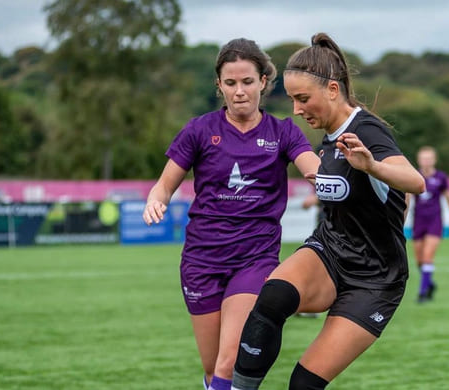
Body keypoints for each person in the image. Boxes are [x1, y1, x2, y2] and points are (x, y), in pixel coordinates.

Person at [231, 33, 425, 390]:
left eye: (303, 99)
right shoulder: (330, 134)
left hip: (375, 279)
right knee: (272, 298)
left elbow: (415, 182)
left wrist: (373, 167)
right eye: (291, 99)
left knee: (303, 385)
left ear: (333, 90)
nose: (296, 110)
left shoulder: (366, 130)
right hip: (330, 251)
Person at [143, 38, 320, 390]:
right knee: (212, 369)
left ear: (264, 83)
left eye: (248, 82)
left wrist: (329, 177)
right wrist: (155, 200)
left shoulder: (283, 132)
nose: (239, 91)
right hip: (201, 260)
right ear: (219, 86)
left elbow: (312, 168)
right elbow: (163, 186)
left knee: (229, 362)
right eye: (230, 83)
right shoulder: (199, 130)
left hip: (254, 259)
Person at [408, 146, 449, 303]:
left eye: (429, 158)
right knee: (419, 260)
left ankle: (422, 293)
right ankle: (429, 283)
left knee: (428, 257)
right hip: (418, 221)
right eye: (424, 158)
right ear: (419, 160)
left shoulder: (441, 177)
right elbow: (407, 197)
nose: (426, 161)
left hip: (435, 221)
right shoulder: (414, 176)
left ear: (434, 160)